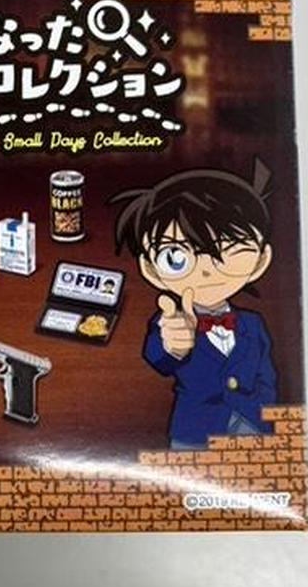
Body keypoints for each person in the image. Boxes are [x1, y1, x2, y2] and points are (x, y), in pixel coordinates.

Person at [111, 159, 277, 449]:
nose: (206, 270)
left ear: (260, 260)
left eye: (228, 249)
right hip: (196, 432)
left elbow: (267, 377)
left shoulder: (253, 324)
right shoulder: (170, 321)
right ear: (151, 269)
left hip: (254, 428)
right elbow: (159, 358)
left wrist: (266, 418)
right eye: (176, 257)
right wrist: (175, 347)